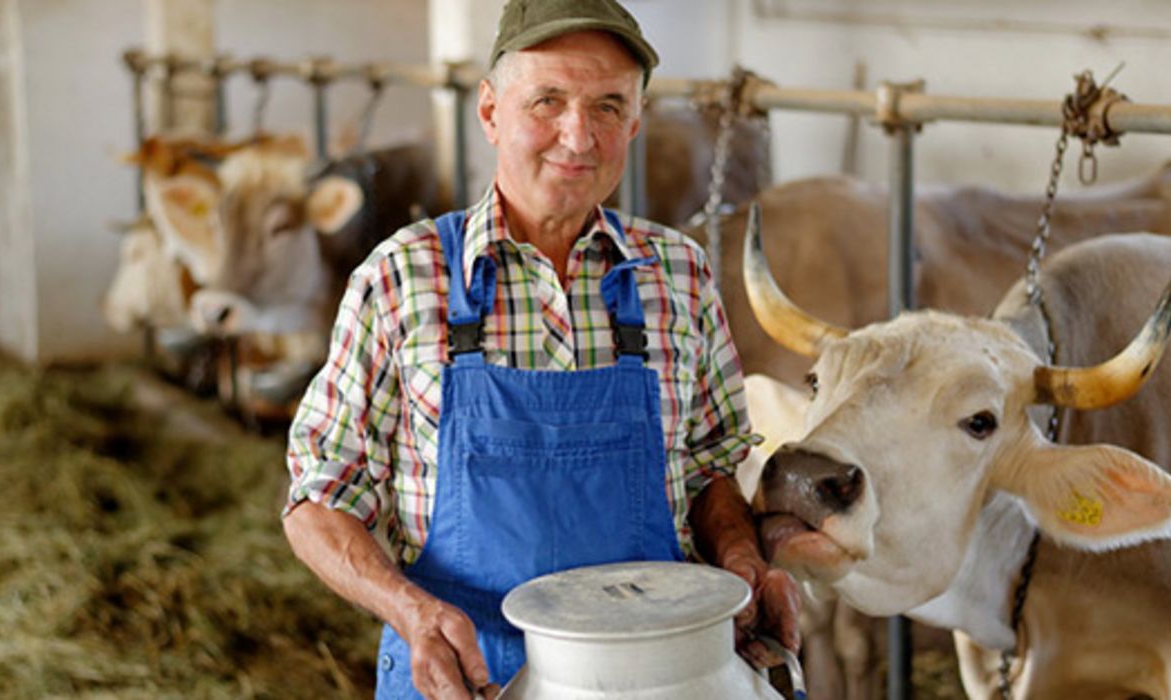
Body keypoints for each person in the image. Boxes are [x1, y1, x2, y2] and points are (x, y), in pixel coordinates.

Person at [282, 1, 800, 697]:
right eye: (547, 101)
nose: (577, 136)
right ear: (491, 112)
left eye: (608, 107)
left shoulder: (677, 273)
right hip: (466, 677)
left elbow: (710, 468)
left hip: (656, 677)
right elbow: (319, 496)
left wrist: (741, 561)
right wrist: (409, 613)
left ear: (635, 123)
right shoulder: (402, 277)